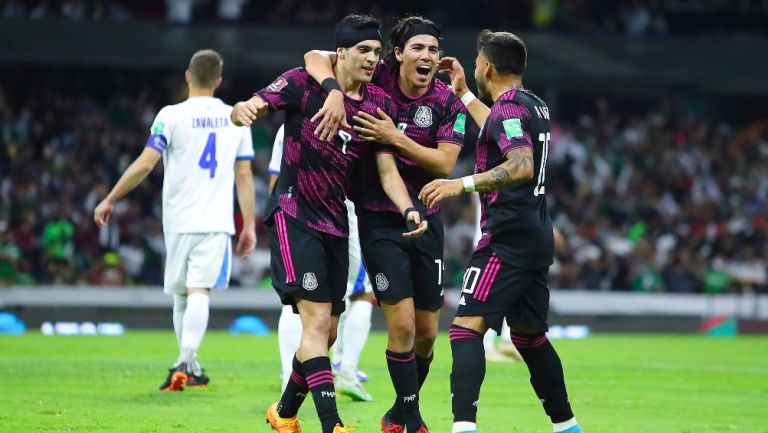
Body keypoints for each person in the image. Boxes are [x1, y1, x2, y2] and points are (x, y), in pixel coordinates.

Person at [231, 14, 426, 433]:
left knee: (328, 331)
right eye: (364, 51)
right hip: (293, 212)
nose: (373, 58)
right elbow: (257, 104)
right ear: (342, 54)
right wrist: (243, 109)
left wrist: (408, 208)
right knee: (317, 322)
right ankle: (332, 424)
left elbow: (387, 170)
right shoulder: (304, 83)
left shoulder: (378, 103)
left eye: (376, 51)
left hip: (337, 221)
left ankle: (282, 414)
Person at [304, 15, 466, 433]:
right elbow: (315, 57)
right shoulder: (379, 81)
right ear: (398, 53)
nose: (426, 56)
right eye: (417, 48)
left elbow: (445, 163)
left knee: (429, 333)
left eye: (433, 49)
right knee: (404, 324)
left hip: (428, 219)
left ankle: (400, 409)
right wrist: (334, 92)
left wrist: (395, 137)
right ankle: (409, 419)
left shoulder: (448, 102)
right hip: (379, 217)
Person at [420, 30, 584, 433]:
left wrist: (461, 184)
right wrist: (462, 93)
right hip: (535, 233)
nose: (474, 69)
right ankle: (568, 427)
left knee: (465, 330)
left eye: (476, 64)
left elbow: (522, 163)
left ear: (488, 67)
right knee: (529, 338)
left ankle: (463, 428)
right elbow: (498, 126)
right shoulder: (533, 104)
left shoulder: (509, 108)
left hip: (507, 236)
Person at [93, 49, 257, 392]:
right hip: (215, 221)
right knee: (199, 292)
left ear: (187, 76)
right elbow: (244, 176)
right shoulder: (236, 117)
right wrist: (250, 226)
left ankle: (188, 364)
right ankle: (186, 361)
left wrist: (111, 198)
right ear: (219, 81)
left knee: (182, 296)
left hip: (178, 219)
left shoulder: (170, 115)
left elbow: (144, 164)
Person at [270, 124, 375, 402]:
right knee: (358, 294)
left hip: (297, 215)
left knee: (300, 300)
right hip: (346, 217)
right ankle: (346, 371)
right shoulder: (357, 117)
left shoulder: (289, 124)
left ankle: (290, 376)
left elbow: (275, 179)